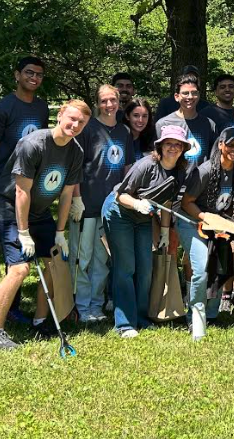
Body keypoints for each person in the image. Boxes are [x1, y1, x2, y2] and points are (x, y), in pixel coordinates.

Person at [0, 100, 90, 350]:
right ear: (60, 114)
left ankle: (40, 321)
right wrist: (23, 233)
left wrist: (60, 232)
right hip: (10, 207)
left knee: (52, 262)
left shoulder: (75, 151)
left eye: (81, 122)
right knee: (20, 269)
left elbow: (66, 195)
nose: (75, 125)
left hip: (40, 211)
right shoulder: (34, 144)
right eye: (71, 119)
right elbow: (21, 192)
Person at [0, 56, 49, 328]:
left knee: (16, 253)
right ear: (17, 75)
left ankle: (13, 307)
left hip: (23, 188)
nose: (34, 77)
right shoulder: (2, 108)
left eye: (39, 74)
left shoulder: (41, 108)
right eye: (29, 72)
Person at [102, 124, 189, 337]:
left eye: (177, 145)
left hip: (143, 219)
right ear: (160, 146)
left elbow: (167, 202)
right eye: (168, 144)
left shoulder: (180, 170)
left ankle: (140, 317)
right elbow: (121, 195)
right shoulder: (146, 165)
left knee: (145, 269)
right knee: (126, 268)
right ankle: (124, 324)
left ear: (183, 148)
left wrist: (166, 231)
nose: (173, 148)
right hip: (120, 213)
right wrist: (138, 204)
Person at [70, 85, 135, 322]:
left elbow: (127, 169)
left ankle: (96, 305)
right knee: (83, 258)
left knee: (102, 259)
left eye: (113, 100)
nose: (109, 105)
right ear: (97, 103)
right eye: (104, 101)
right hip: (87, 205)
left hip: (112, 207)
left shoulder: (124, 131)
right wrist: (76, 199)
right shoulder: (88, 129)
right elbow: (75, 166)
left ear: (119, 102)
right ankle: (79, 305)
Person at [178, 127, 234, 340]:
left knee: (222, 266)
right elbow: (186, 203)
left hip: (218, 224)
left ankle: (212, 313)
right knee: (200, 267)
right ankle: (194, 315)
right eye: (231, 144)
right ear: (220, 145)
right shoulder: (206, 170)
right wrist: (206, 219)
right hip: (192, 221)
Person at [154, 74, 218, 167]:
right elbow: (157, 157)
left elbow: (214, 157)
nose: (190, 97)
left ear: (199, 95)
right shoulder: (163, 124)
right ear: (176, 96)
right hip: (171, 180)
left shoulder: (209, 124)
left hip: (201, 180)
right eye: (185, 93)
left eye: (194, 93)